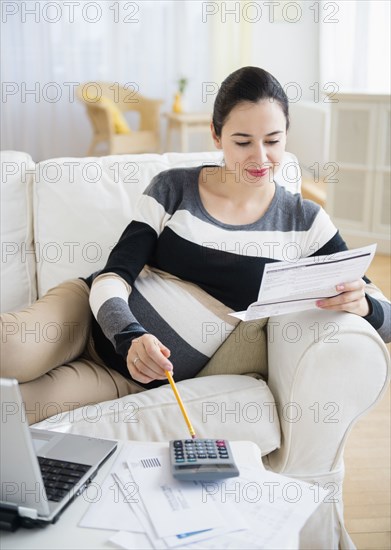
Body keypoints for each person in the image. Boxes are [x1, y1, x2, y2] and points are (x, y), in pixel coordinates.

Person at [1, 67, 390, 423]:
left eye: (273, 140)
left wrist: (364, 304)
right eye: (242, 142)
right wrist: (130, 336)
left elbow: (385, 315)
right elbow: (112, 275)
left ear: (287, 134)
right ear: (216, 135)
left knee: (14, 412)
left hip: (133, 378)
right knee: (10, 349)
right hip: (86, 315)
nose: (259, 158)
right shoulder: (173, 188)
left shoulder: (304, 221)